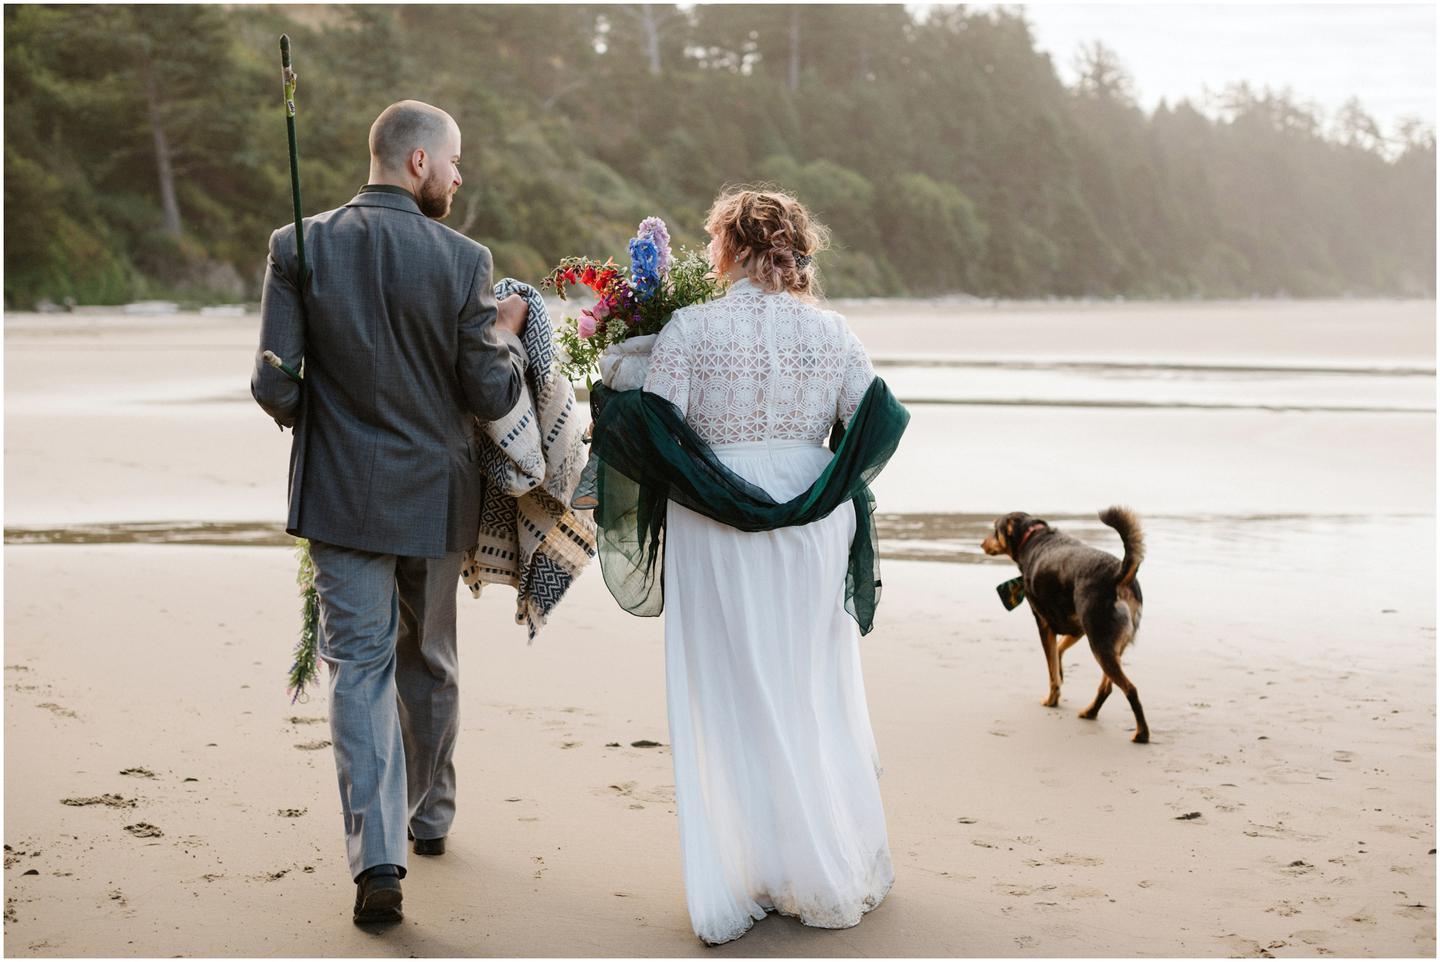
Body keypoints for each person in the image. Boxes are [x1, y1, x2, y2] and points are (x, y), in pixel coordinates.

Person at [251, 99, 529, 924]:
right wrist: (509, 334)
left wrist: (328, 423)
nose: (457, 174)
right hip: (437, 495)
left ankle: (379, 856)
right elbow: (489, 389)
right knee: (429, 656)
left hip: (339, 496)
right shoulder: (463, 258)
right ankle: (429, 815)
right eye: (454, 161)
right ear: (418, 163)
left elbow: (274, 383)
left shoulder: (297, 244)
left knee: (359, 669)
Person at [640, 188, 895, 945]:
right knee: (805, 687)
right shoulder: (832, 331)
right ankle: (814, 861)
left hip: (714, 523)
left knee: (730, 692)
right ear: (791, 247)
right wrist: (825, 483)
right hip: (812, 524)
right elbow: (876, 416)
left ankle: (747, 865)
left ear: (730, 246)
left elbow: (658, 426)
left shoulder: (690, 327)